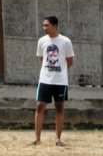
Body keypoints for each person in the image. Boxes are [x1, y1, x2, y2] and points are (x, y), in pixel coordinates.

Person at [32, 15, 75, 146]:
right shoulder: (42, 41)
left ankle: (58, 139)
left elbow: (70, 61)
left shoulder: (65, 41)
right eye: (43, 25)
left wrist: (59, 70)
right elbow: (42, 58)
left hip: (60, 81)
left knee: (59, 107)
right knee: (40, 106)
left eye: (47, 25)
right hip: (45, 79)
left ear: (55, 26)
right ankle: (37, 139)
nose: (44, 28)